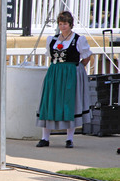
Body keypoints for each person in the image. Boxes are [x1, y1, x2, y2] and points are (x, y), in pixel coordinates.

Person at [36, 11, 92, 148]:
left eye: (65, 24)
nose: (62, 27)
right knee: (50, 102)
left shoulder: (78, 39)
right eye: (60, 24)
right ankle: (45, 138)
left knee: (69, 103)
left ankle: (69, 139)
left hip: (70, 74)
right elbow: (51, 57)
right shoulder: (52, 40)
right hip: (55, 73)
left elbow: (86, 57)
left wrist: (77, 69)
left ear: (70, 24)